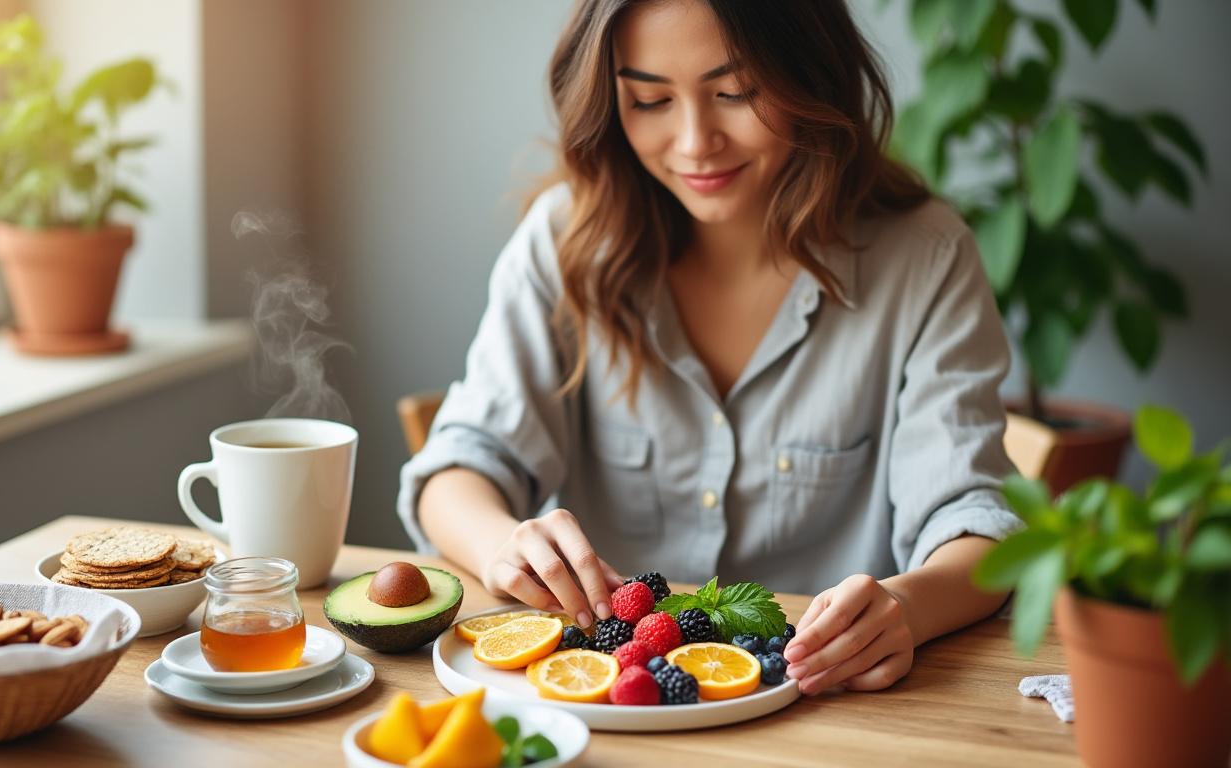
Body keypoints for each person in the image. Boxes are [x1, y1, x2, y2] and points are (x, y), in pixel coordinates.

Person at [397, 0, 1022, 695]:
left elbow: (973, 522)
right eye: (649, 99)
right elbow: (459, 469)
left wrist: (907, 606)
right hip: (606, 707)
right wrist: (501, 544)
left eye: (735, 93)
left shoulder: (926, 260)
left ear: (809, 77)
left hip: (833, 712)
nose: (695, 141)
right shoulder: (565, 244)